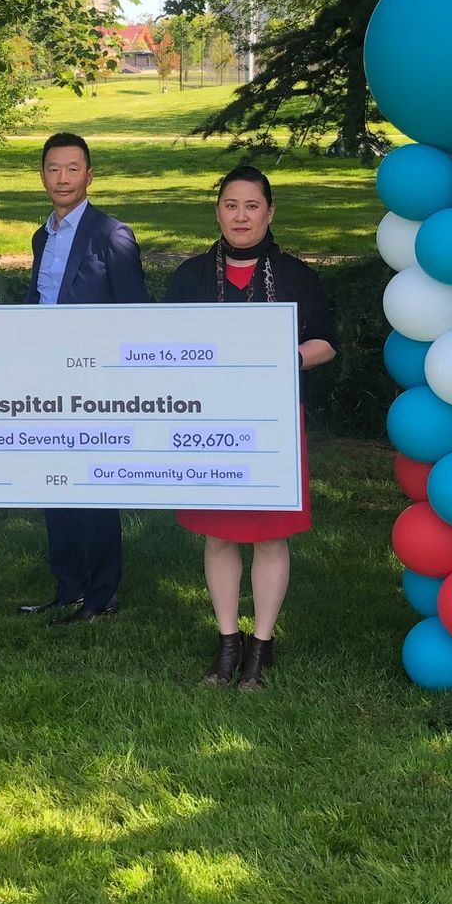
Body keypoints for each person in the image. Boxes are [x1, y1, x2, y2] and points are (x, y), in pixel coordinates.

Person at [169, 166, 336, 689]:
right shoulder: (190, 277)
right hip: (209, 423)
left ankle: (261, 647)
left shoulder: (296, 276)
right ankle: (226, 643)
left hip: (273, 424)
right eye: (230, 205)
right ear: (217, 211)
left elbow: (326, 342)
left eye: (252, 206)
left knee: (270, 535)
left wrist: (286, 358)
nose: (240, 216)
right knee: (219, 534)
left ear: (269, 212)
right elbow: (165, 345)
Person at [17, 132, 149, 625]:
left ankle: (102, 595)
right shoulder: (42, 236)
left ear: (89, 175)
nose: (63, 178)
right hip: (48, 379)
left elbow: (135, 313)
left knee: (94, 487)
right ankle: (68, 587)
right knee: (55, 483)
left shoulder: (111, 234)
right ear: (42, 176)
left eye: (73, 169)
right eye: (54, 169)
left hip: (96, 382)